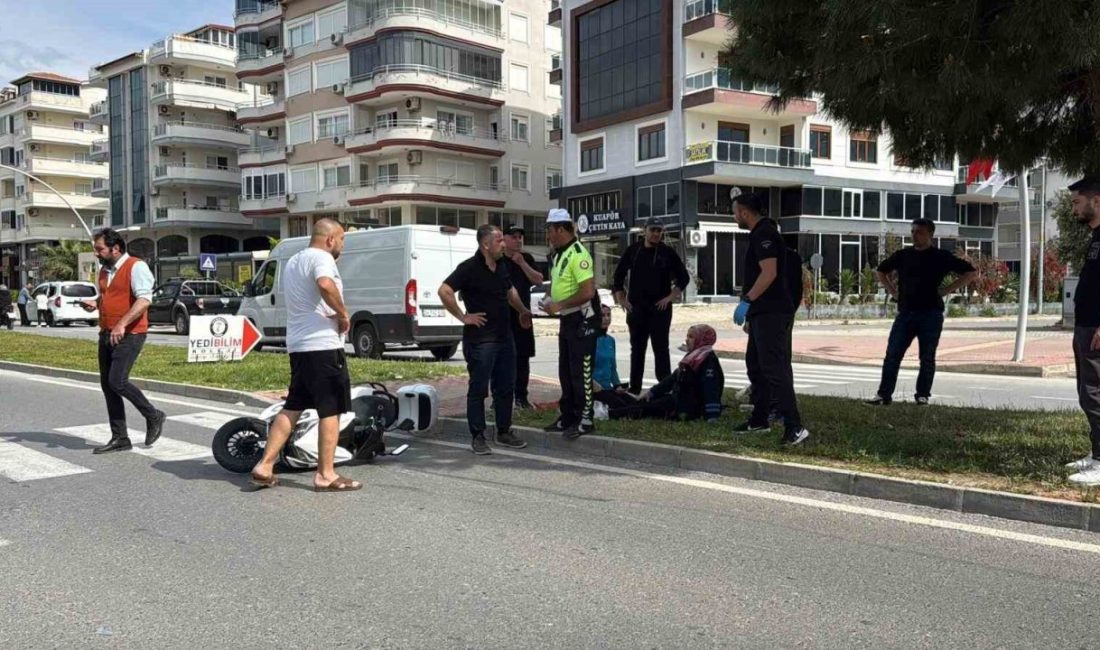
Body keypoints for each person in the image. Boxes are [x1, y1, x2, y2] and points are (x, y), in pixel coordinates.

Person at [250, 219, 360, 492]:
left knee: (293, 405)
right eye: (342, 239)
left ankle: (265, 465)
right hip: (322, 345)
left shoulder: (294, 261)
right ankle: (326, 474)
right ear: (330, 239)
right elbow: (325, 284)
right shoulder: (322, 258)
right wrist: (343, 314)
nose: (343, 246)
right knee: (331, 409)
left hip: (298, 345)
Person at [438, 224, 533, 455]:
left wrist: (522, 310)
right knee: (479, 388)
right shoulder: (469, 268)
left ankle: (503, 431)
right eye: (499, 240)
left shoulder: (501, 266)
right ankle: (478, 435)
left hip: (504, 337)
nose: (503, 244)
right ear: (486, 244)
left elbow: (509, 291)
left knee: (506, 387)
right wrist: (464, 317)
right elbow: (444, 291)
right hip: (481, 340)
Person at [865, 218, 977, 406]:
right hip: (905, 313)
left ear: (930, 234)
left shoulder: (940, 256)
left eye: (919, 232)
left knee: (926, 357)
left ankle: (922, 394)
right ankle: (884, 395)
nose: (915, 235)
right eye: (913, 232)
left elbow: (970, 272)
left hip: (931, 313)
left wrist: (946, 290)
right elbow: (881, 271)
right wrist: (892, 291)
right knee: (893, 354)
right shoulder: (903, 255)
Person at [77, 228, 166, 454]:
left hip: (131, 333)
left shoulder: (136, 266)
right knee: (108, 386)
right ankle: (120, 438)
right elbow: (111, 296)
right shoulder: (105, 270)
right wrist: (96, 303)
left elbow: (144, 299)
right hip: (106, 332)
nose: (96, 253)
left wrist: (122, 324)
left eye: (100, 249)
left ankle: (153, 415)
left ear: (115, 248)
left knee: (117, 381)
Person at [730, 192, 809, 445]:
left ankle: (794, 426)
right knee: (756, 366)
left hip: (772, 312)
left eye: (735, 212)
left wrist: (747, 300)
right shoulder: (759, 233)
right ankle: (759, 419)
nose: (735, 217)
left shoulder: (764, 233)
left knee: (774, 368)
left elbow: (769, 273)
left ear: (744, 212)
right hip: (761, 312)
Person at [612, 217, 690, 394]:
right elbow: (618, 276)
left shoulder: (667, 252)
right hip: (637, 308)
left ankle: (665, 389)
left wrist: (670, 297)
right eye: (652, 230)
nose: (656, 234)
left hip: (660, 310)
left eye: (659, 230)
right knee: (637, 350)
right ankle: (635, 389)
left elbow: (683, 278)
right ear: (644, 230)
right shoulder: (634, 250)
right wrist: (621, 298)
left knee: (661, 349)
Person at [542, 208, 599, 439]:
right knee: (565, 370)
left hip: (582, 318)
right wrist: (550, 299)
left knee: (581, 371)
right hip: (567, 318)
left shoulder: (578, 254)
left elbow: (587, 291)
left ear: (560, 229)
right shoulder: (558, 254)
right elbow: (560, 285)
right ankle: (568, 416)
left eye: (550, 230)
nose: (548, 235)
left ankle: (586, 419)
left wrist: (560, 304)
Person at [1065, 175, 1100, 486]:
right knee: (1087, 393)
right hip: (1086, 326)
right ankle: (1096, 453)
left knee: (1094, 393)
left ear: (1096, 201)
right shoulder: (1096, 236)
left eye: (1077, 202)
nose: (1074, 209)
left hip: (1096, 328)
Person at [502, 222, 543, 409]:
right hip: (504, 316)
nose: (518, 240)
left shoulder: (526, 258)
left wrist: (522, 263)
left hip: (523, 316)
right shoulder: (498, 259)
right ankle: (501, 396)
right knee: (502, 358)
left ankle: (521, 397)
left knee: (522, 357)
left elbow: (538, 279)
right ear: (504, 239)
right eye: (514, 237)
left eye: (520, 237)